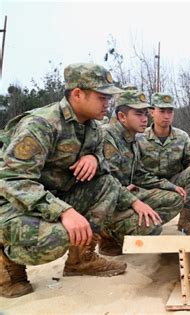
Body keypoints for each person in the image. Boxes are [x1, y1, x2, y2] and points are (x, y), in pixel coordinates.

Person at [0, 63, 128, 298]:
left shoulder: (94, 129)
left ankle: (81, 260)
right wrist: (63, 211)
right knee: (59, 237)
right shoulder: (41, 124)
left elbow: (107, 165)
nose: (107, 103)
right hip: (12, 205)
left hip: (52, 198)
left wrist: (94, 158)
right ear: (78, 94)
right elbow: (12, 179)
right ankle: (6, 261)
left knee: (108, 184)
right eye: (102, 97)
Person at [98, 90, 184, 255]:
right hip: (105, 202)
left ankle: (127, 227)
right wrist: (135, 203)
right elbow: (107, 182)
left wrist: (169, 185)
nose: (145, 119)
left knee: (175, 198)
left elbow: (139, 174)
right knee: (151, 227)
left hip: (122, 197)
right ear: (122, 117)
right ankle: (108, 236)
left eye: (145, 113)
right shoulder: (107, 136)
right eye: (138, 114)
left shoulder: (132, 139)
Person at [138, 92, 190, 235]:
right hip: (149, 185)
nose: (166, 116)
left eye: (170, 111)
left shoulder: (182, 136)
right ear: (152, 112)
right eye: (162, 111)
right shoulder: (139, 137)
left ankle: (185, 222)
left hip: (175, 182)